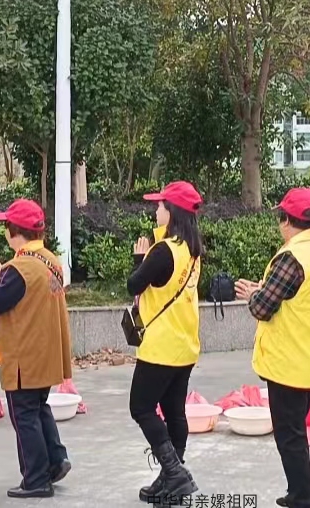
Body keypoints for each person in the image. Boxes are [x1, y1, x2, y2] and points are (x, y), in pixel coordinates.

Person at [234, 188, 310, 508]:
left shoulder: (292, 257)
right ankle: (299, 492)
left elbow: (262, 308)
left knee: (289, 434)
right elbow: (298, 297)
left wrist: (253, 294)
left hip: (288, 362)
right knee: (295, 430)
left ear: (286, 221)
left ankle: (302, 496)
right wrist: (264, 289)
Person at [0, 198, 73, 499]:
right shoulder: (50, 260)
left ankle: (36, 479)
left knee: (24, 416)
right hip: (46, 353)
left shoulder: (19, 268)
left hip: (24, 357)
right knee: (38, 408)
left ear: (14, 231)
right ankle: (56, 460)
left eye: (6, 226)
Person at [126, 182, 204, 504]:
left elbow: (134, 284)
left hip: (161, 347)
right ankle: (173, 476)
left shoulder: (163, 251)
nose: (156, 210)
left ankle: (173, 473)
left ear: (171, 211)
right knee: (174, 412)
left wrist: (139, 258)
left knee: (141, 407)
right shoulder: (192, 250)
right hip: (185, 345)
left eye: (159, 205)